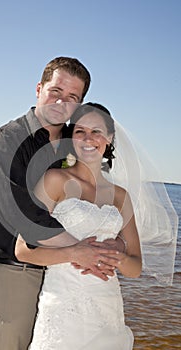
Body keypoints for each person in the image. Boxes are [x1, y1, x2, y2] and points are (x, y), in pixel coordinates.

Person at [0, 58, 125, 350]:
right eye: (55, 91)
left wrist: (115, 244)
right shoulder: (8, 141)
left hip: (60, 280)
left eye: (72, 97)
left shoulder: (71, 143)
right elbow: (23, 215)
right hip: (16, 271)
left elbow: (91, 197)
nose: (61, 102)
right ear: (38, 89)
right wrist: (83, 252)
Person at [15, 102, 142, 349]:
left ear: (109, 138)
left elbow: (135, 267)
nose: (88, 138)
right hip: (63, 304)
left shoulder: (121, 196)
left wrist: (115, 257)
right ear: (71, 137)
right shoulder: (55, 180)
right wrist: (74, 253)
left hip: (107, 304)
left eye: (96, 132)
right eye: (80, 131)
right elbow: (22, 250)